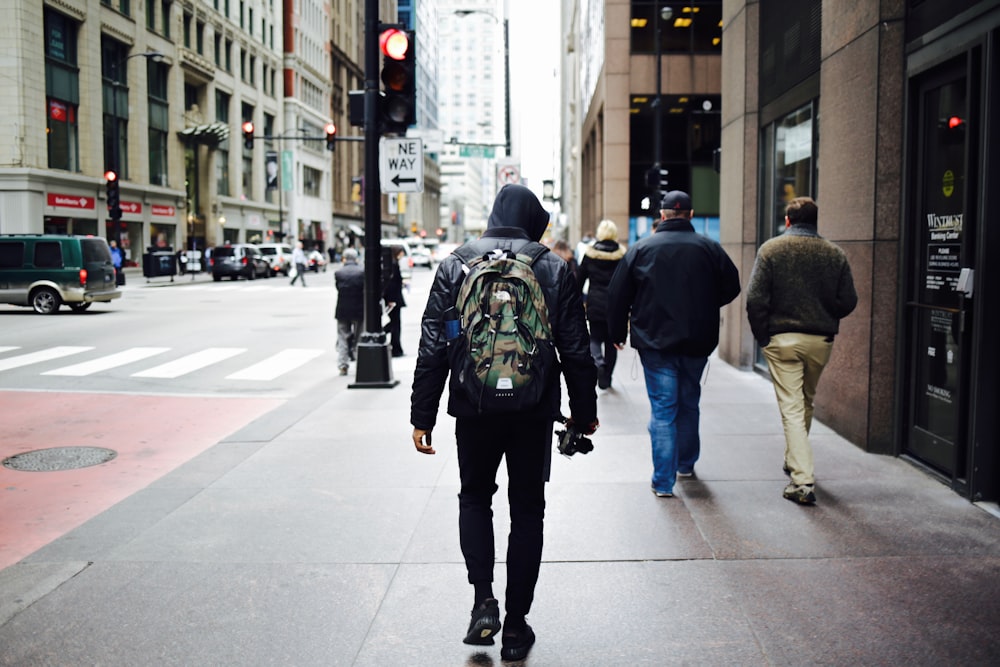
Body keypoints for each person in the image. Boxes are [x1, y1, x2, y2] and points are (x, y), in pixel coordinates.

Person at [410, 184, 598, 662]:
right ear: (532, 218)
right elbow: (576, 349)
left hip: (473, 406)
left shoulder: (456, 263)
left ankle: (482, 604)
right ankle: (516, 626)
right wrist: (583, 411)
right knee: (528, 509)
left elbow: (434, 344)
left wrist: (422, 414)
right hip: (533, 407)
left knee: (475, 497)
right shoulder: (552, 265)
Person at [607, 190, 741, 497]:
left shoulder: (642, 249)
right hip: (697, 340)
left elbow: (617, 295)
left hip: (656, 343)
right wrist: (707, 304)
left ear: (663, 215)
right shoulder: (709, 248)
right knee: (689, 403)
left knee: (663, 409)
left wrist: (616, 333)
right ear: (691, 215)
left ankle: (663, 482)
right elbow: (731, 286)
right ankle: (686, 464)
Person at [745, 196, 857, 505]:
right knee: (805, 401)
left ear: (788, 221)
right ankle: (795, 458)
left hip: (781, 340)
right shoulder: (835, 253)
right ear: (815, 221)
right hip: (819, 340)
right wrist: (824, 311)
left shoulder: (771, 249)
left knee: (793, 408)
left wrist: (762, 336)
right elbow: (848, 301)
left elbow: (755, 299)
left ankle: (802, 481)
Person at [576, 219, 625, 389]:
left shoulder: (590, 254)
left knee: (595, 338)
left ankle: (598, 361)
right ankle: (607, 379)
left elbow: (579, 280)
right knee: (612, 343)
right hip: (615, 305)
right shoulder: (621, 255)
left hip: (595, 302)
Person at [334, 248, 364, 375]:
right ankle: (360, 365)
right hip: (358, 308)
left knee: (342, 337)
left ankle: (343, 365)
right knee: (359, 337)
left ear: (344, 258)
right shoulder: (361, 272)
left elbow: (338, 288)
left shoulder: (339, 272)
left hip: (343, 309)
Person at [382, 247, 407, 357]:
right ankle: (395, 346)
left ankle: (395, 346)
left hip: (394, 298)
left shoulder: (393, 264)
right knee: (395, 324)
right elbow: (392, 284)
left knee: (395, 323)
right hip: (394, 299)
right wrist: (391, 299)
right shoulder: (393, 265)